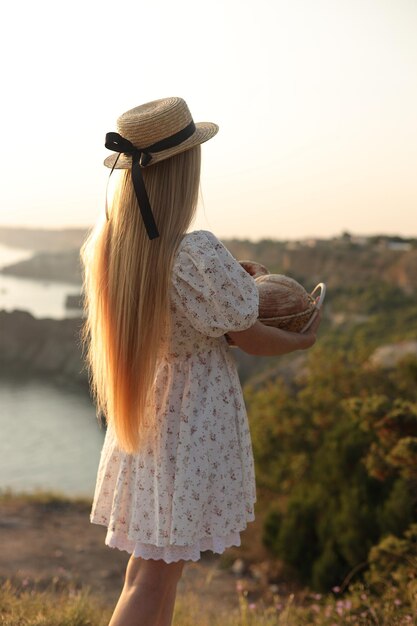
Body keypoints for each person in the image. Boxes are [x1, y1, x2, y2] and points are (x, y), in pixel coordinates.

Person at [79, 97, 323, 626]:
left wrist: (229, 277)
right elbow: (251, 336)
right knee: (154, 576)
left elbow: (180, 307)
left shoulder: (114, 248)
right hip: (192, 423)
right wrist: (301, 341)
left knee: (150, 570)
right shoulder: (195, 251)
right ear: (183, 171)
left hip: (147, 411)